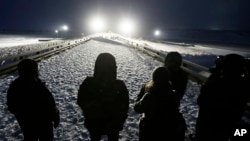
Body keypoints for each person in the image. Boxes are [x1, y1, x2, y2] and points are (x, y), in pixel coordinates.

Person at [194, 54, 250, 141]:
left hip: (209, 128)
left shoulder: (217, 84)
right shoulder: (243, 86)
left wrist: (216, 72)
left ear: (225, 67)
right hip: (227, 128)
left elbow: (202, 99)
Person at [77, 53, 129, 141]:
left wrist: (89, 109)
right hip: (113, 123)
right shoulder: (119, 85)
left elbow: (80, 101)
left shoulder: (88, 82)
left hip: (94, 122)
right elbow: (125, 105)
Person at [7, 58, 60, 141]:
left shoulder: (15, 86)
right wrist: (55, 115)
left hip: (27, 124)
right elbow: (50, 102)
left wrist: (22, 116)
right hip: (43, 123)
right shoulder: (38, 85)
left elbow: (11, 106)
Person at [134, 67, 186, 141]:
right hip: (169, 131)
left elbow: (137, 108)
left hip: (150, 131)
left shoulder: (149, 94)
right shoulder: (173, 94)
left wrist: (142, 98)